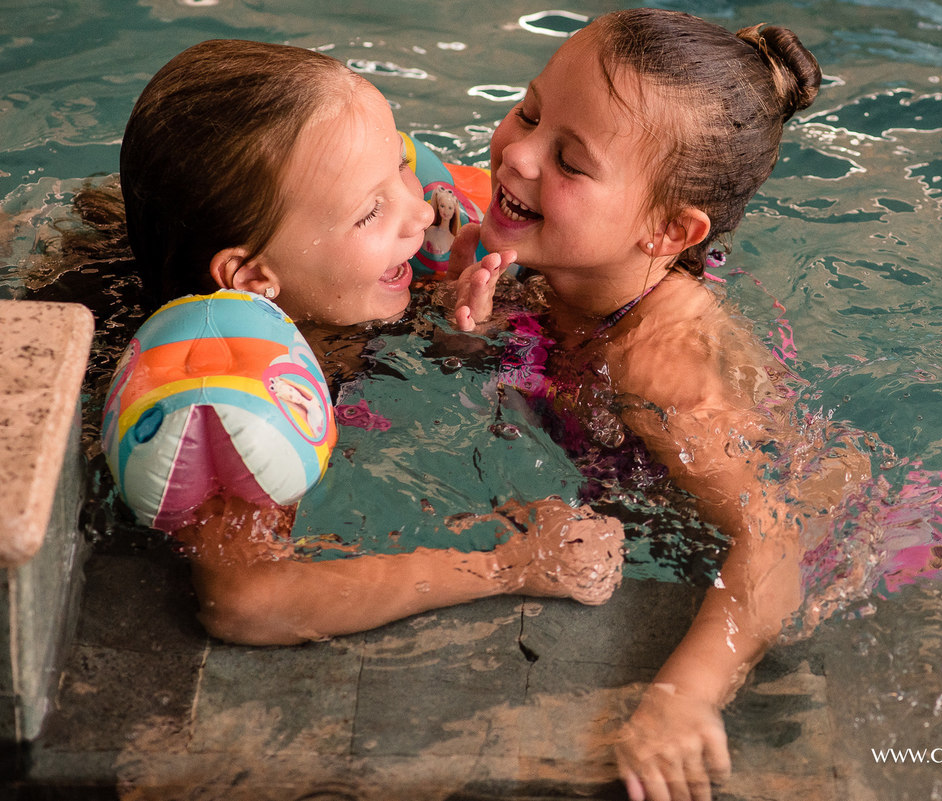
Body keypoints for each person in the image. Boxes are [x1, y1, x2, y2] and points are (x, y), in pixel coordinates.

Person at [443, 9, 942, 800]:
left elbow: (776, 538)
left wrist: (684, 697)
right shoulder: (546, 260)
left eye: (569, 161)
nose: (515, 151)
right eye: (528, 109)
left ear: (666, 229)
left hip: (872, 568)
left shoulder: (664, 364)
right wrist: (462, 327)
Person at [79, 39, 623, 647]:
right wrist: (510, 563)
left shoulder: (343, 287)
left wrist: (459, 333)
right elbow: (247, 603)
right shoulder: (224, 398)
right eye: (370, 212)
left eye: (400, 166)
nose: (420, 213)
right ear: (255, 280)